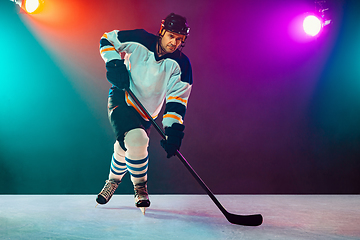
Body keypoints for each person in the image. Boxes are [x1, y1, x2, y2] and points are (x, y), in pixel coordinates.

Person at [96, 13, 193, 211]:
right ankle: (140, 187)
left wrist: (173, 131)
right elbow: (107, 39)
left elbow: (176, 101)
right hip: (123, 98)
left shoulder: (182, 65)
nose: (174, 42)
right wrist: (114, 63)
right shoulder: (139, 39)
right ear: (162, 31)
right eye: (171, 36)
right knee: (138, 140)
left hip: (147, 112)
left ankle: (112, 181)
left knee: (127, 146)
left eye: (179, 39)